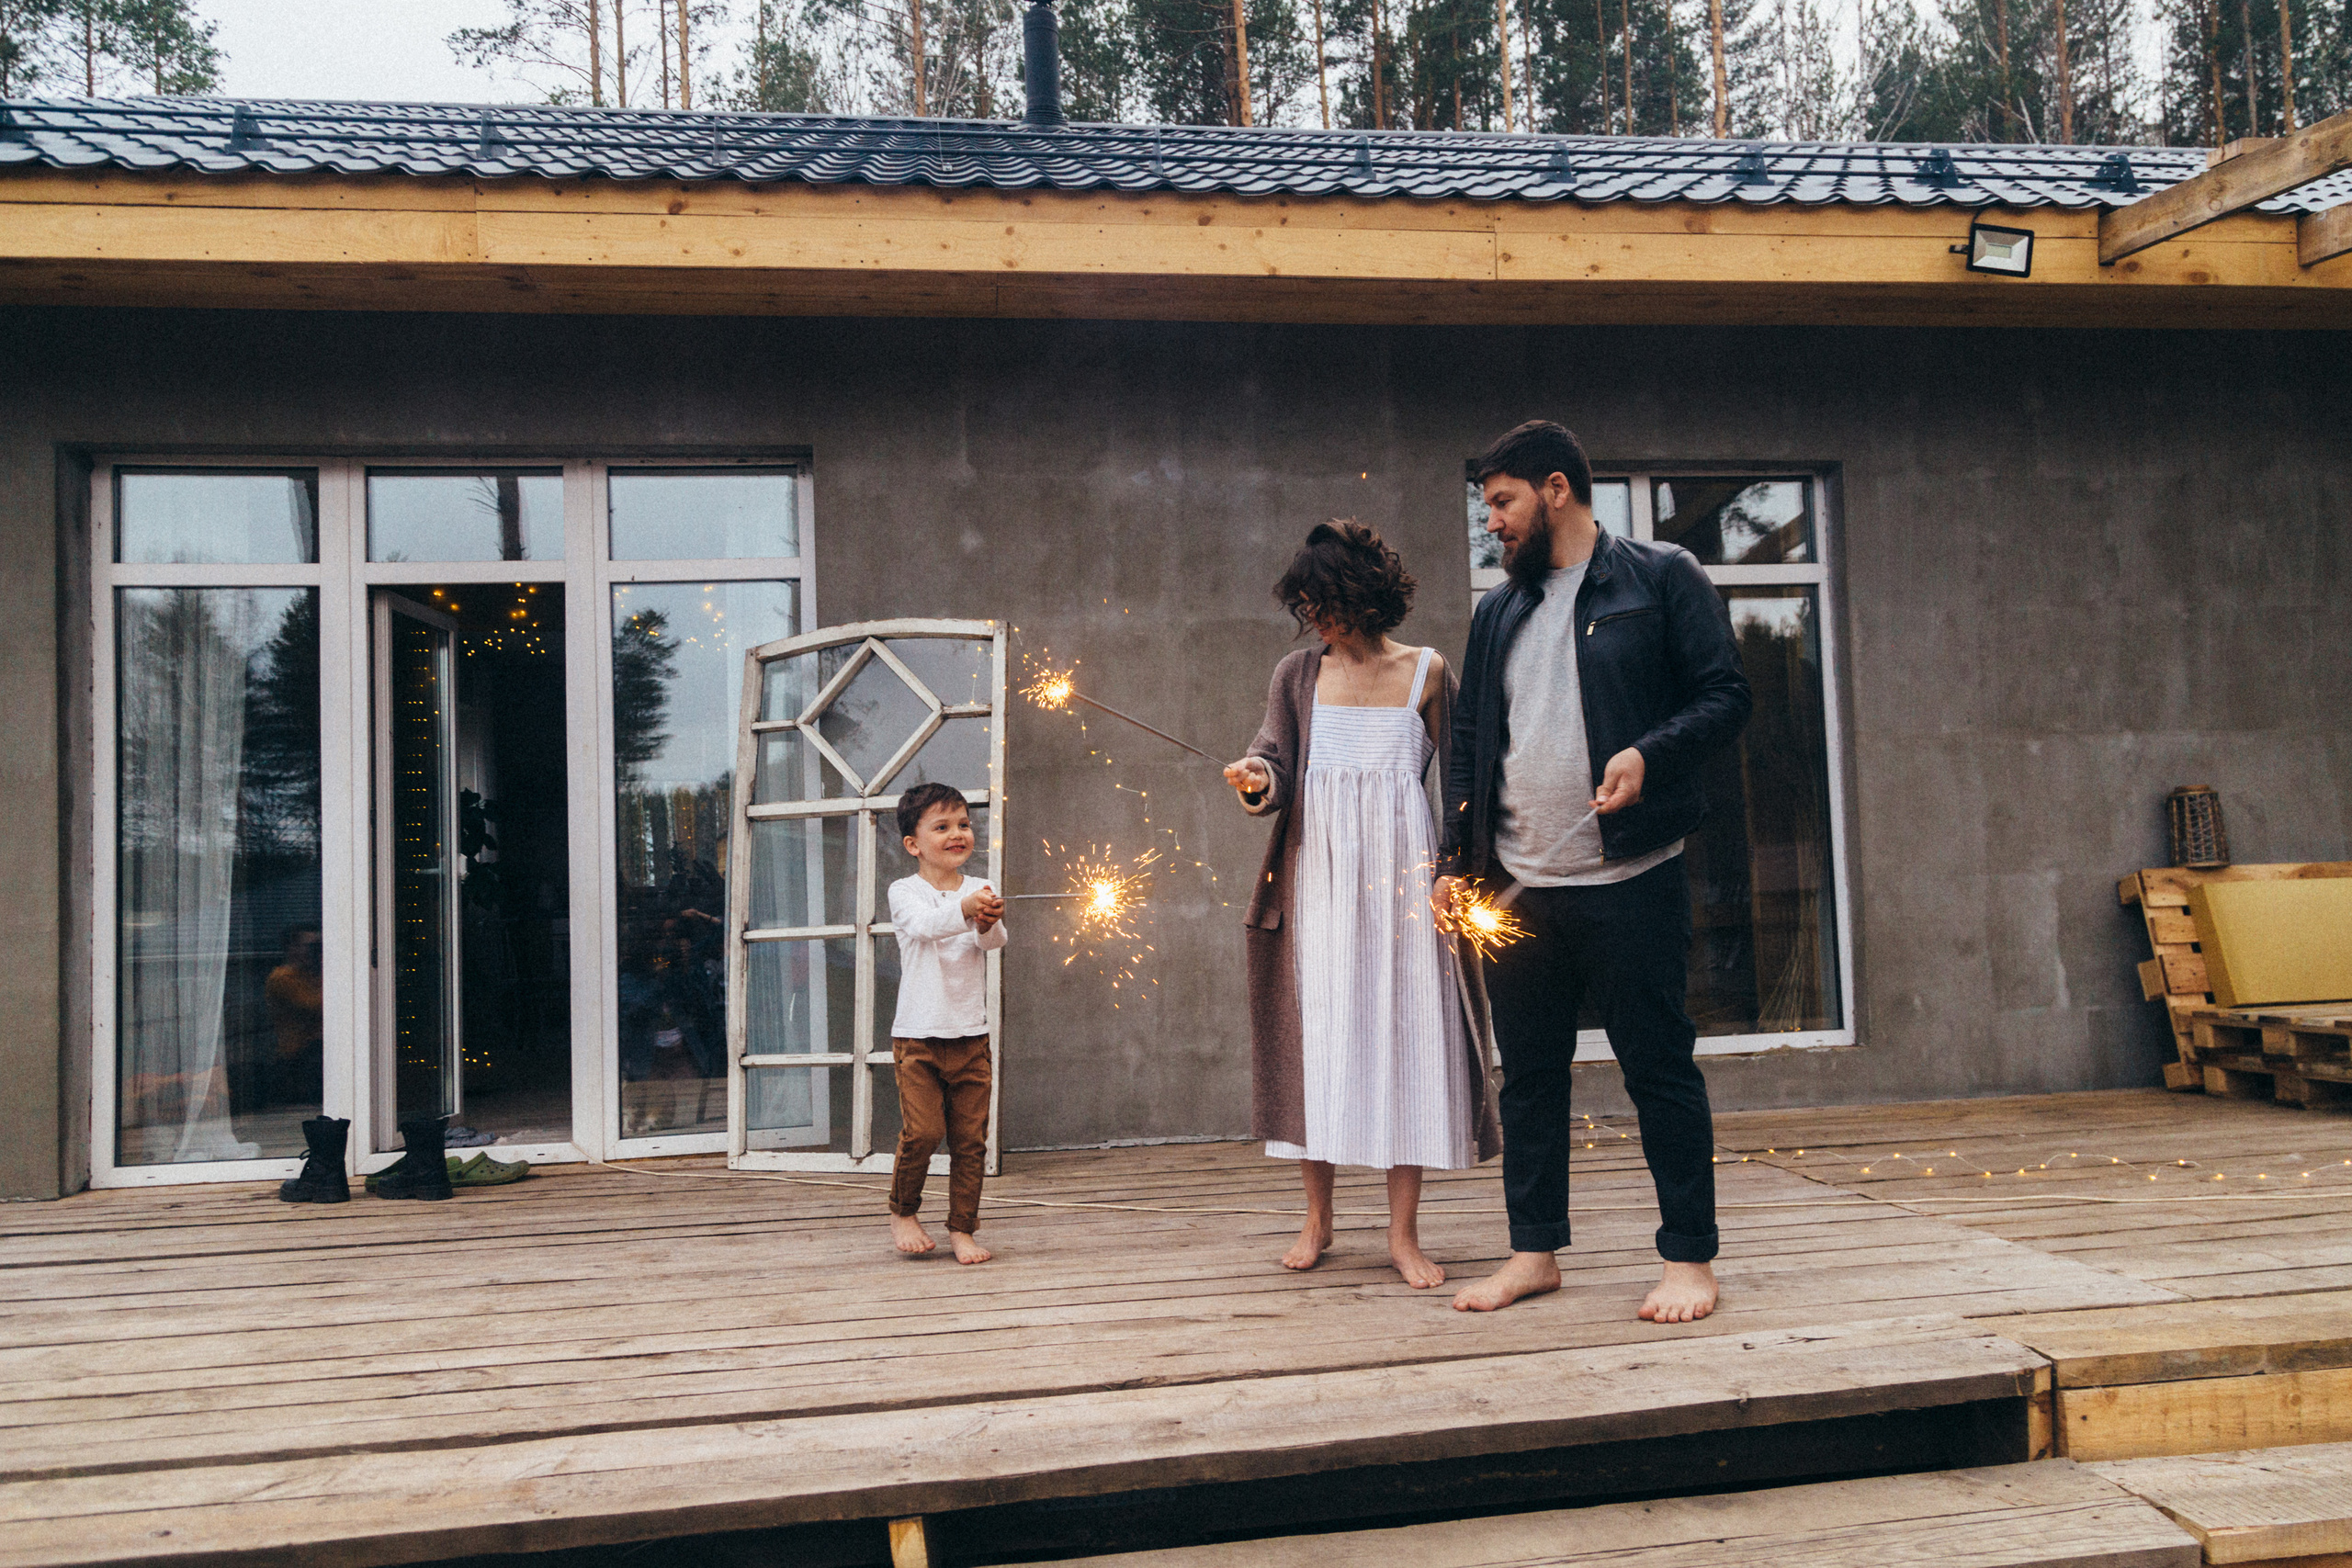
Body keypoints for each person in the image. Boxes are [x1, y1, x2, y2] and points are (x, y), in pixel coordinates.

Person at [1435, 421, 1751, 1322]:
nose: (1492, 521)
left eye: (1502, 501)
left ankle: (1688, 1259)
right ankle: (1533, 1252)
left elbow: (1726, 694)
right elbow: (1470, 744)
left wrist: (1649, 753)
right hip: (1518, 888)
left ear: (1556, 489)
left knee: (1658, 1070)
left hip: (1632, 878)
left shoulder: (1661, 577)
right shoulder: (1499, 611)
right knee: (1530, 1079)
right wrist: (1453, 862)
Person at [1227, 521, 1502, 1290]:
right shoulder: (1296, 675)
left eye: (1324, 603)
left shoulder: (1428, 672)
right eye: (1306, 606)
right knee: (1317, 1044)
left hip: (1406, 892)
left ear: (1362, 596)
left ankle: (1402, 1234)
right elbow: (1272, 765)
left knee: (1407, 1041)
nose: (1313, 618)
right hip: (1319, 888)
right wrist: (1256, 780)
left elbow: (1460, 786)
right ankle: (1318, 1218)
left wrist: (1455, 870)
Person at [886, 781, 1008, 1266]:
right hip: (918, 1037)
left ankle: (962, 1227)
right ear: (913, 844)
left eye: (963, 824)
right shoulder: (904, 892)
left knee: (970, 1141)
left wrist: (987, 921)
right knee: (922, 1132)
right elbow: (925, 926)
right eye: (942, 827)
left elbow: (993, 943)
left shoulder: (980, 886)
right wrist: (966, 909)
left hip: (971, 1035)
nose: (957, 834)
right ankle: (903, 1211)